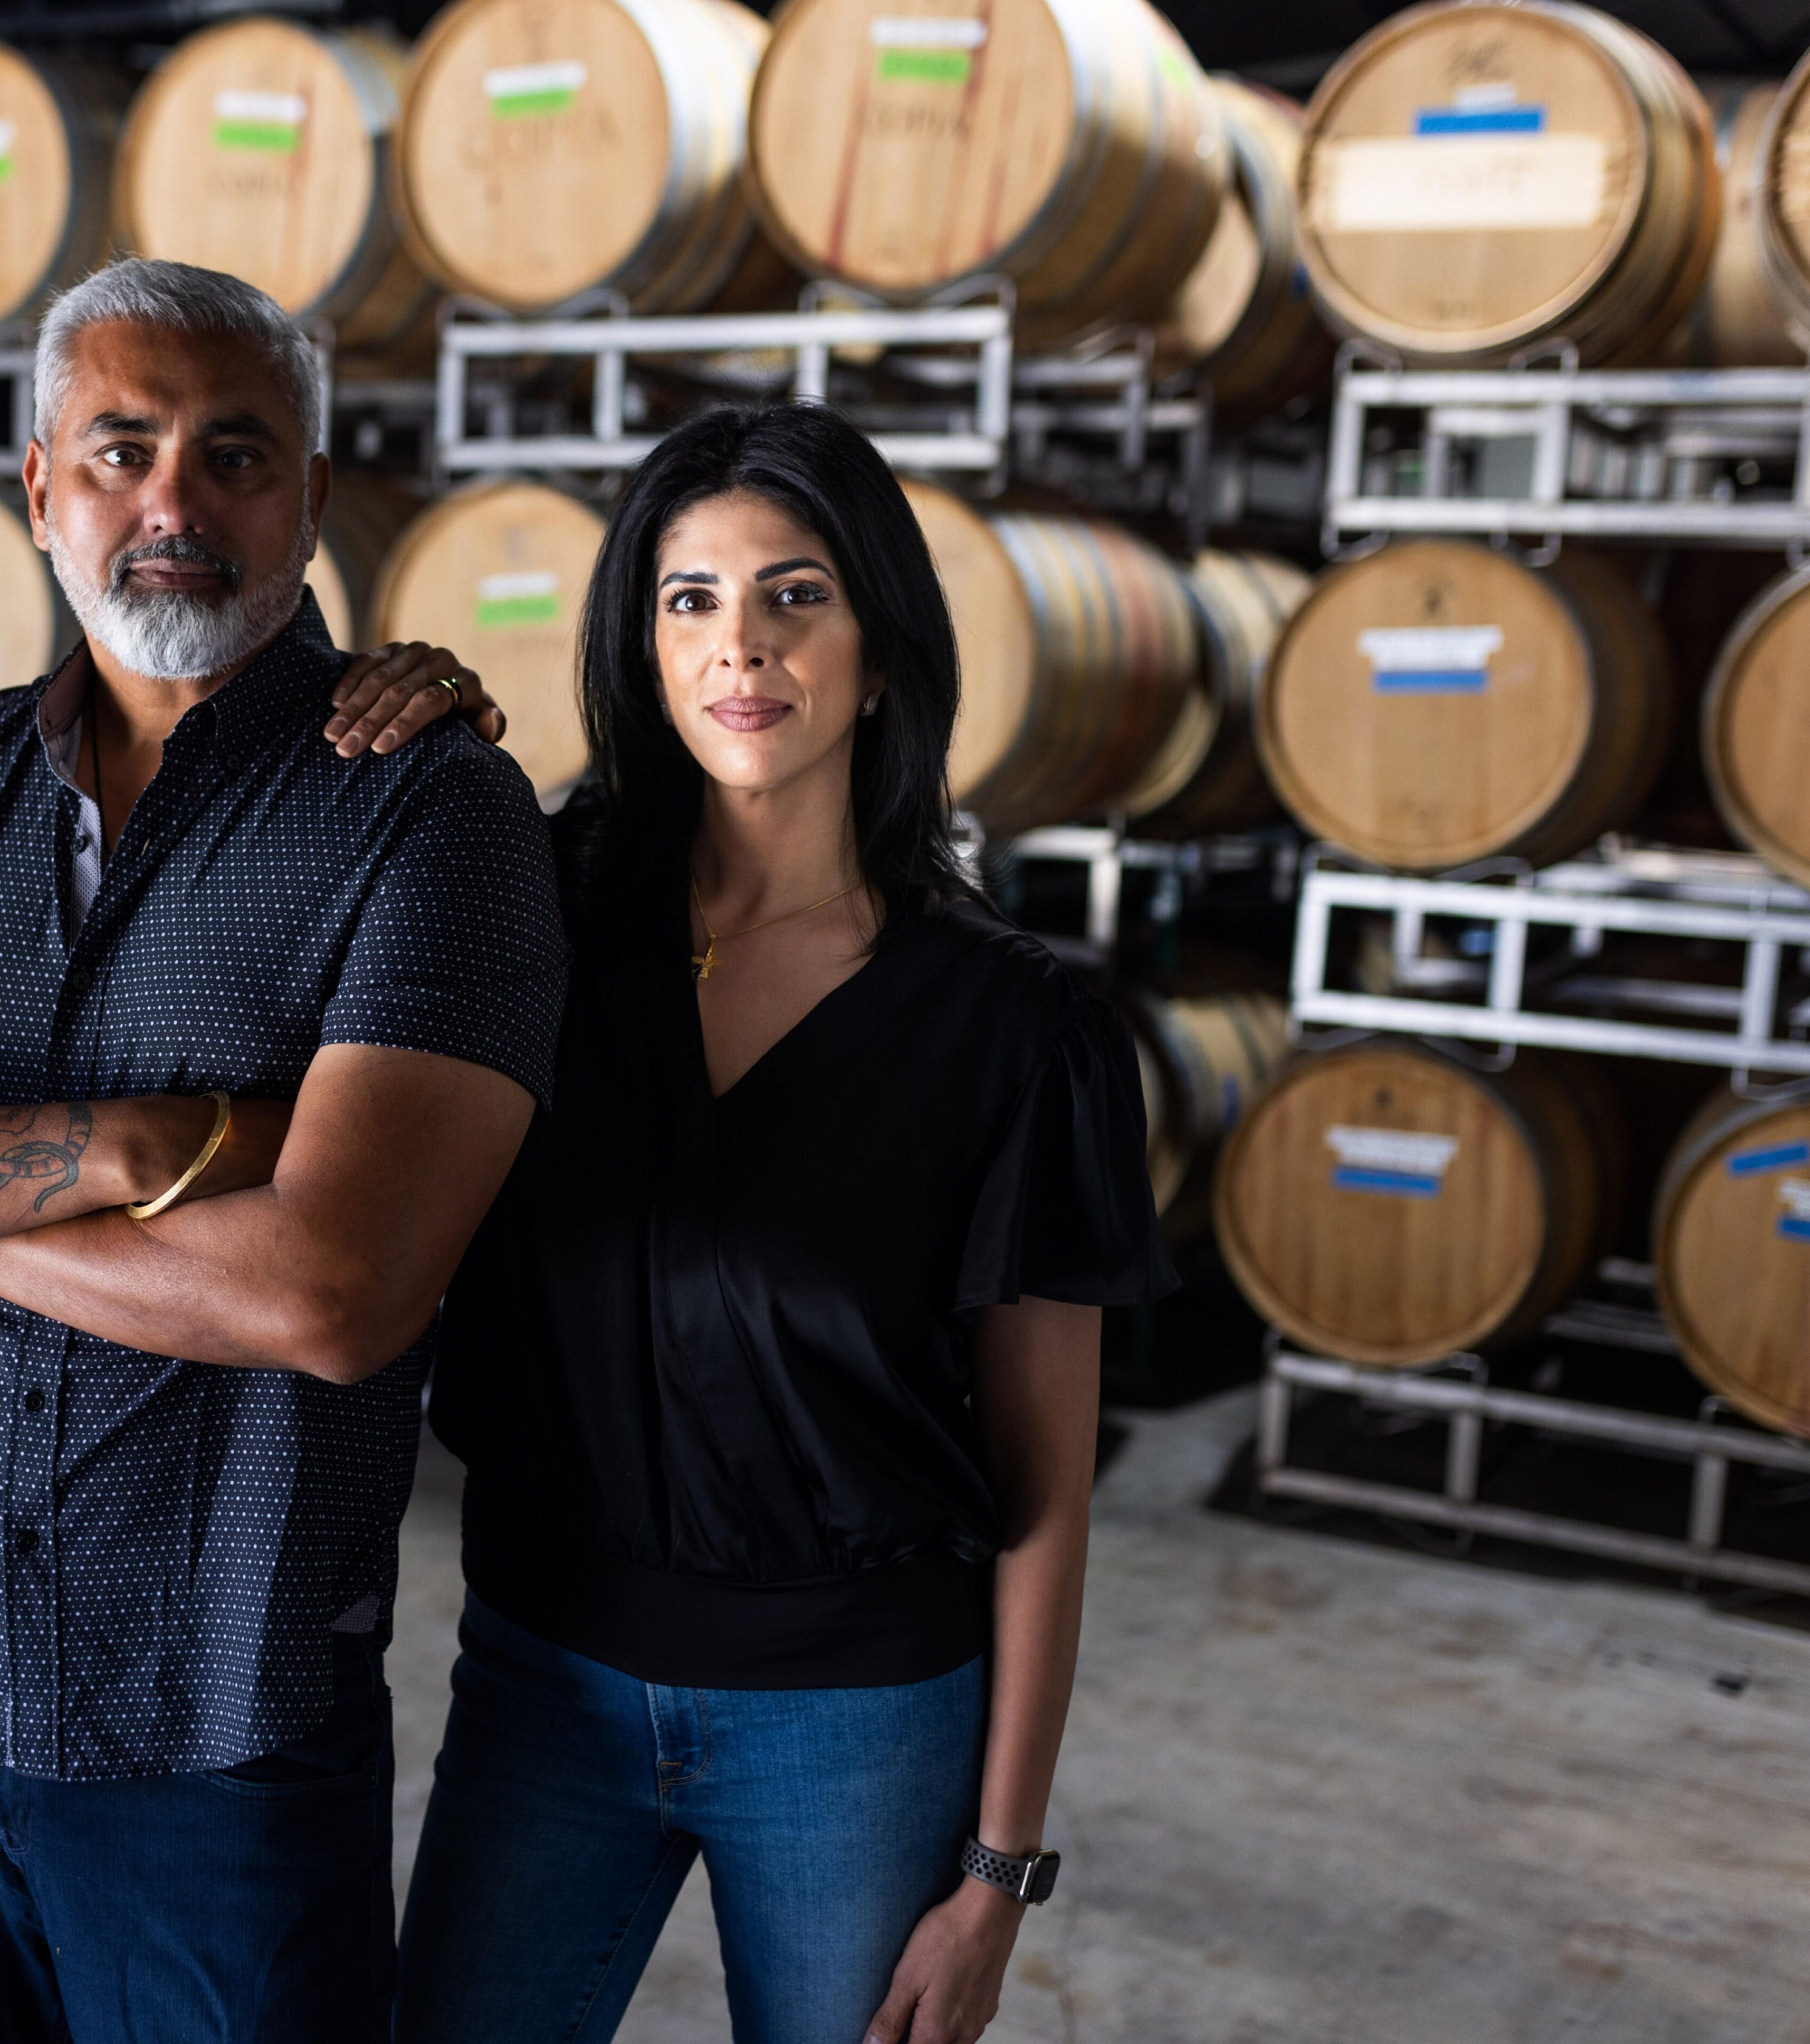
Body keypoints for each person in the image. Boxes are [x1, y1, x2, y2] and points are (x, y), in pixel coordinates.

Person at [0, 257, 565, 2044]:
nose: (172, 500)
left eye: (237, 454)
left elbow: (331, 1288)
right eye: (120, 447)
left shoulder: (433, 811)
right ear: (37, 489)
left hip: (213, 1729)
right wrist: (142, 1149)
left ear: (314, 498)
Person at [394, 403, 1176, 2044]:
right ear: (640, 645)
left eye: (794, 593)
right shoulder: (529, 915)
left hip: (856, 1722)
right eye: (690, 600)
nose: (740, 644)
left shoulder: (1017, 1033)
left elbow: (1044, 1487)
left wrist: (999, 1873)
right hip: (544, 1672)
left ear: (881, 651)